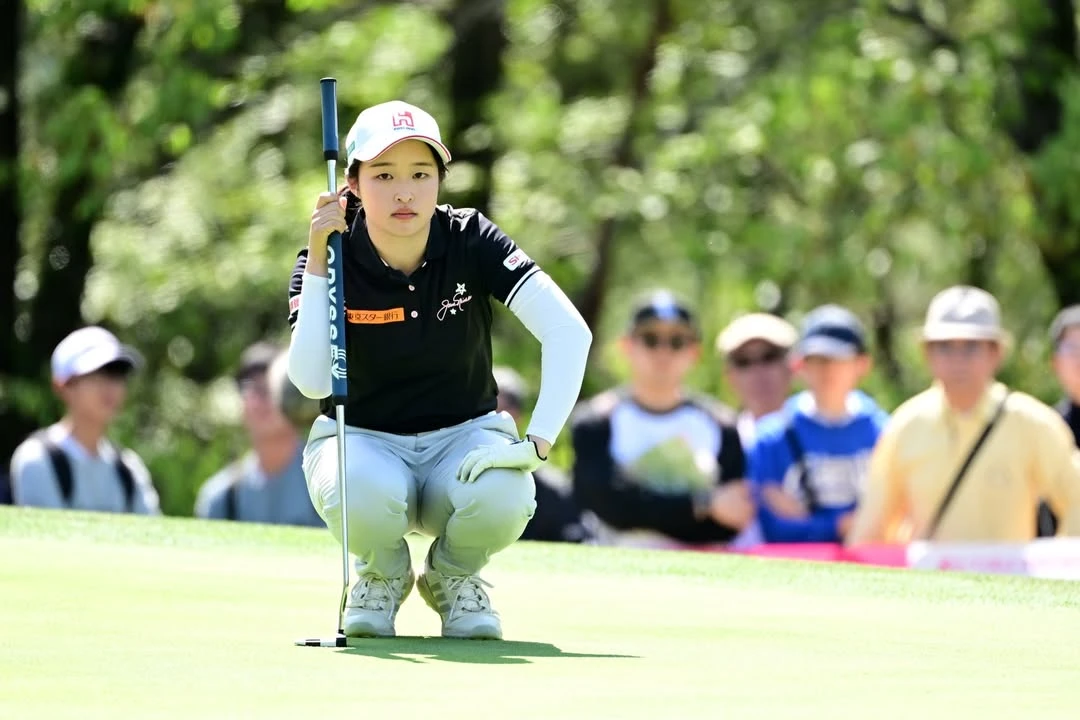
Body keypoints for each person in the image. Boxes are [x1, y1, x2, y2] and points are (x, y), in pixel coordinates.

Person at [286, 100, 592, 640]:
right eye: (384, 175)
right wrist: (317, 255)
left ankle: (451, 576)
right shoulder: (327, 255)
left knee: (504, 494)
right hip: (363, 440)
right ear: (352, 184)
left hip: (464, 439)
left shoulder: (471, 237)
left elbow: (569, 332)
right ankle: (382, 574)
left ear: (439, 181)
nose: (404, 192)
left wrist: (539, 442)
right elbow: (312, 381)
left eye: (420, 175)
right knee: (357, 491)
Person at [847, 286, 1080, 544]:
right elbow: (871, 532)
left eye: (971, 347)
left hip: (1007, 571)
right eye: (945, 347)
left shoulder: (1033, 424)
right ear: (927, 353)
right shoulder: (905, 426)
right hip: (928, 571)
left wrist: (1058, 561)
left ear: (995, 353)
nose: (958, 360)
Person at [570, 290, 753, 549]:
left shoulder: (723, 426)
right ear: (627, 346)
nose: (663, 352)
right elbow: (605, 505)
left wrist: (645, 506)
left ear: (695, 352)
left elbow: (729, 522)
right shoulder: (595, 422)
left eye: (676, 341)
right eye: (650, 339)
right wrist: (703, 504)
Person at [747, 305, 889, 543]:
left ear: (862, 364)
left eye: (838, 359)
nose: (827, 369)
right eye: (817, 359)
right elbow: (772, 528)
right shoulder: (770, 438)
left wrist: (809, 521)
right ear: (799, 364)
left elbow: (894, 522)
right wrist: (840, 525)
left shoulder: (885, 433)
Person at [8, 326, 159, 514]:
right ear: (62, 386)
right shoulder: (37, 459)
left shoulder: (129, 468)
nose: (110, 386)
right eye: (96, 374)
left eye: (117, 374)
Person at [194, 342, 323, 527]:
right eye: (251, 389)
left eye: (270, 389)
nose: (260, 400)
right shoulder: (221, 499)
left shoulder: (330, 483)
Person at [493, 366, 593, 544]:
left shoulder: (551, 489)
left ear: (516, 415)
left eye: (495, 410)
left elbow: (578, 541)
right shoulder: (449, 474)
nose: (486, 419)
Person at [716, 312, 798, 447]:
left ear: (793, 366)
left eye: (769, 357)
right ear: (729, 376)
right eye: (743, 362)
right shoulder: (721, 445)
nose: (758, 371)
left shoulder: (819, 435)